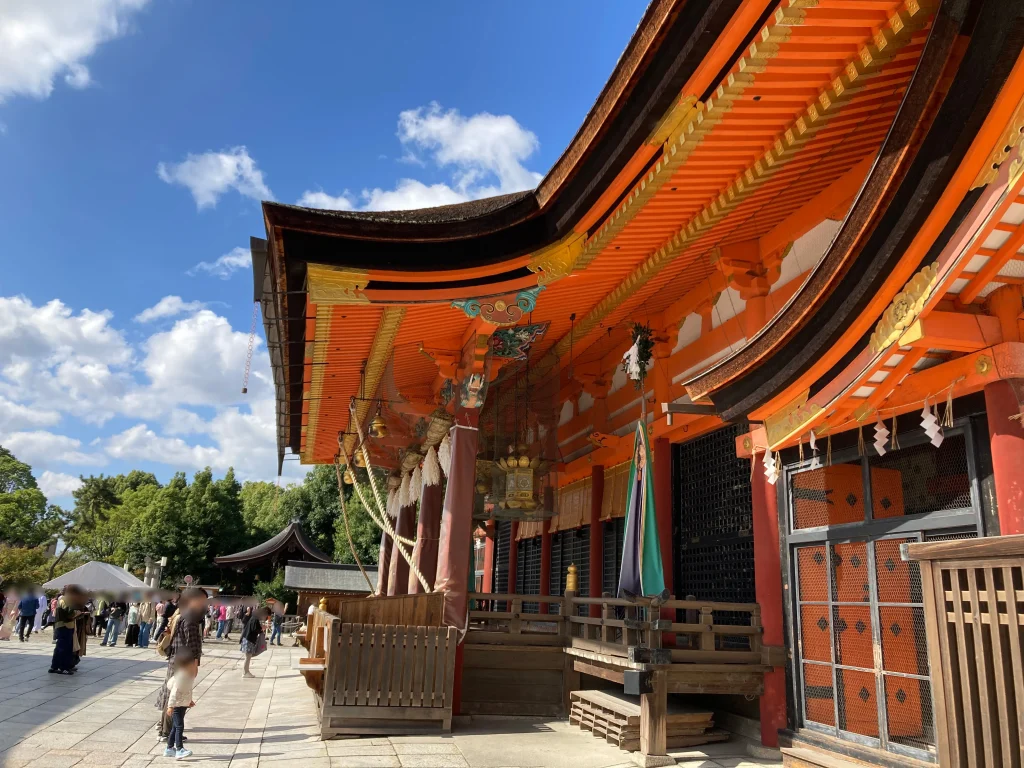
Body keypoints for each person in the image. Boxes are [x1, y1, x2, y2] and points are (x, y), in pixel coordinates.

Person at [155, 587, 207, 739]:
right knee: (176, 697)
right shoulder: (190, 617)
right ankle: (166, 731)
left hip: (177, 659)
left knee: (173, 694)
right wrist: (194, 663)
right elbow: (192, 643)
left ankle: (166, 729)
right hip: (183, 662)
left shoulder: (182, 614)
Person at [163, 649, 197, 759]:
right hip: (177, 705)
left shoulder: (187, 675)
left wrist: (189, 701)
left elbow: (187, 690)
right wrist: (170, 706)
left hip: (183, 704)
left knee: (175, 726)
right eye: (192, 663)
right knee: (179, 726)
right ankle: (179, 749)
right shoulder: (181, 676)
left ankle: (169, 748)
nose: (194, 666)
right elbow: (174, 692)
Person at [50, 587, 86, 674]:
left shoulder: (64, 599)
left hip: (66, 625)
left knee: (61, 647)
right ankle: (63, 667)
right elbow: (69, 612)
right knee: (64, 647)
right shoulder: (64, 600)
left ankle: (55, 666)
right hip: (64, 625)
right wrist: (78, 613)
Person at [239, 606, 268, 679]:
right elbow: (255, 628)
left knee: (248, 656)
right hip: (248, 639)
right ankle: (245, 672)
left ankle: (245, 671)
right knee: (248, 657)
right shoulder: (255, 618)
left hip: (247, 638)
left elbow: (255, 627)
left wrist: (261, 627)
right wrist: (262, 628)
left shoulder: (255, 617)